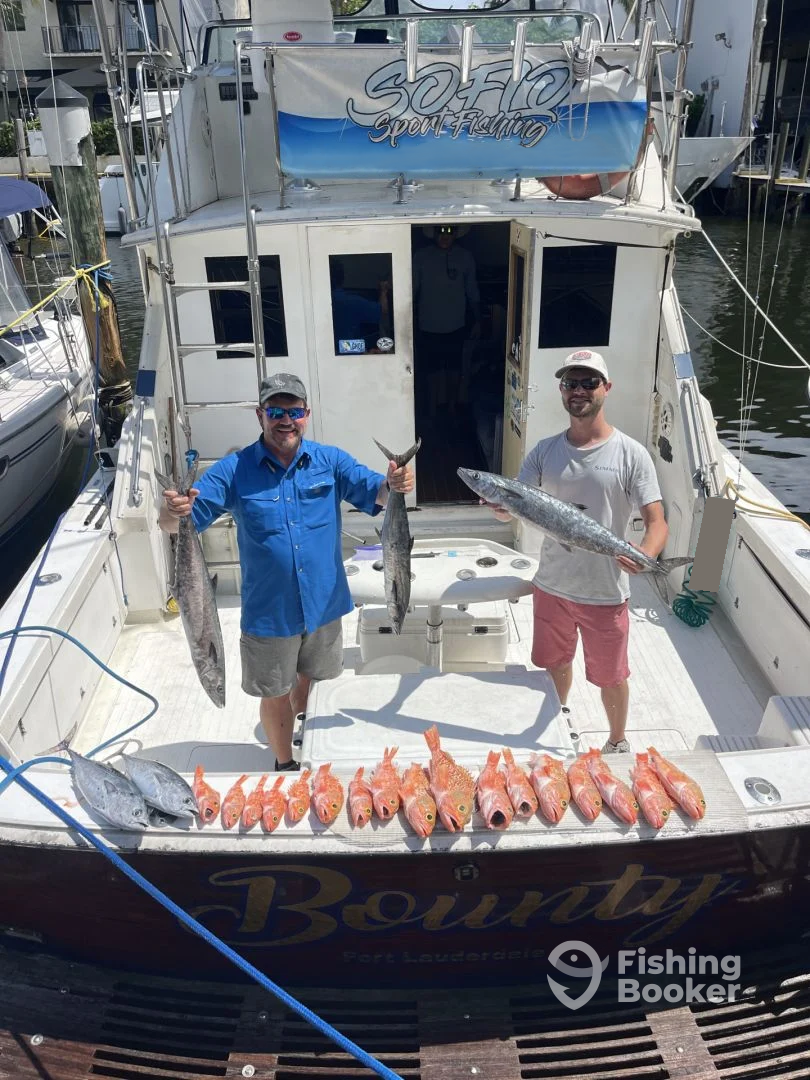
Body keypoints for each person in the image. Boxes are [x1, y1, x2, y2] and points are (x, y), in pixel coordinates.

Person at [159, 372, 414, 771]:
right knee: (275, 691)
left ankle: (307, 737)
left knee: (312, 679)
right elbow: (172, 525)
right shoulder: (234, 470)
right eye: (275, 412)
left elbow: (377, 493)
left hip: (324, 603)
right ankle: (284, 762)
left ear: (306, 415)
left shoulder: (330, 461)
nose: (286, 421)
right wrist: (173, 509)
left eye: (294, 412)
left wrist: (394, 482)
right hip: (269, 611)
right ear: (260, 415)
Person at [485, 350, 668, 753]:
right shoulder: (544, 451)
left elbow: (657, 522)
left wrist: (646, 554)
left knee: (611, 677)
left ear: (606, 388)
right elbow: (517, 501)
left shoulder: (631, 454)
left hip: (605, 592)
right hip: (552, 584)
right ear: (561, 390)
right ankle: (557, 722)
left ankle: (617, 741)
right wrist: (502, 509)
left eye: (589, 383)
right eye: (571, 383)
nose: (579, 391)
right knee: (555, 664)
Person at [412, 224, 480, 416]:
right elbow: (412, 290)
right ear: (433, 233)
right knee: (430, 371)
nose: (445, 235)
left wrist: (478, 320)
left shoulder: (465, 257)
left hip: (456, 325)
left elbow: (472, 291)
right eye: (440, 231)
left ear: (456, 233)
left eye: (449, 231)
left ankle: (452, 409)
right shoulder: (421, 256)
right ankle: (432, 411)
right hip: (428, 325)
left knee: (454, 370)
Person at [329, 258, 390, 353]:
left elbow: (337, 348)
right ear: (342, 277)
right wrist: (383, 290)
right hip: (349, 356)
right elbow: (383, 310)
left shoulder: (315, 304)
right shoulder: (351, 302)